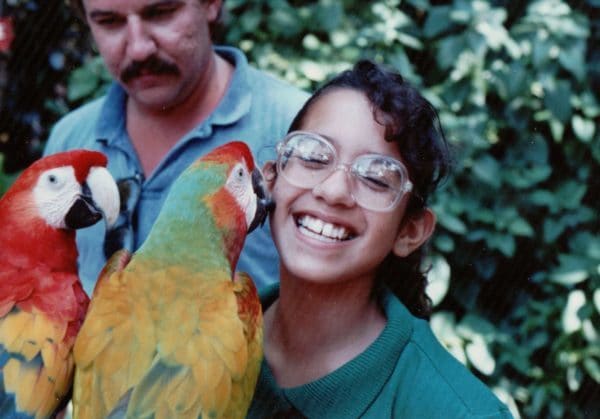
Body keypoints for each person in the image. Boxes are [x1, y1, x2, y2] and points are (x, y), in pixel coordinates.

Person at [248, 60, 513, 418]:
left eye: (376, 177)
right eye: (313, 155)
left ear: (410, 231)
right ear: (271, 179)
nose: (334, 190)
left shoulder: (455, 410)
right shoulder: (200, 338)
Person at [43, 0, 308, 295]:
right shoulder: (69, 140)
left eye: (160, 13)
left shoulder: (296, 132)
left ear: (211, 5)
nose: (139, 49)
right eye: (109, 22)